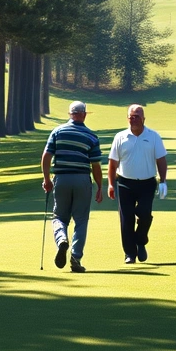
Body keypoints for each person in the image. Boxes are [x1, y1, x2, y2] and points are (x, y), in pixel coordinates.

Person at [41, 100, 103, 273]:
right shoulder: (91, 136)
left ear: (70, 114)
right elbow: (95, 166)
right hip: (82, 180)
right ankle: (76, 257)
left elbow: (46, 156)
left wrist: (47, 179)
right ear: (83, 115)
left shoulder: (58, 132)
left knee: (59, 216)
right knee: (81, 220)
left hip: (61, 179)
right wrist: (99, 187)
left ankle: (61, 239)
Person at [107, 104, 168, 264]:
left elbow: (161, 160)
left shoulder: (153, 136)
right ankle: (130, 253)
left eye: (137, 116)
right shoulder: (120, 137)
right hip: (125, 184)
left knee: (145, 214)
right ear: (128, 118)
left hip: (147, 184)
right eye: (131, 116)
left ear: (143, 119)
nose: (133, 119)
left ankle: (141, 241)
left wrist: (163, 181)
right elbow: (113, 163)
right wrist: (111, 184)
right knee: (126, 219)